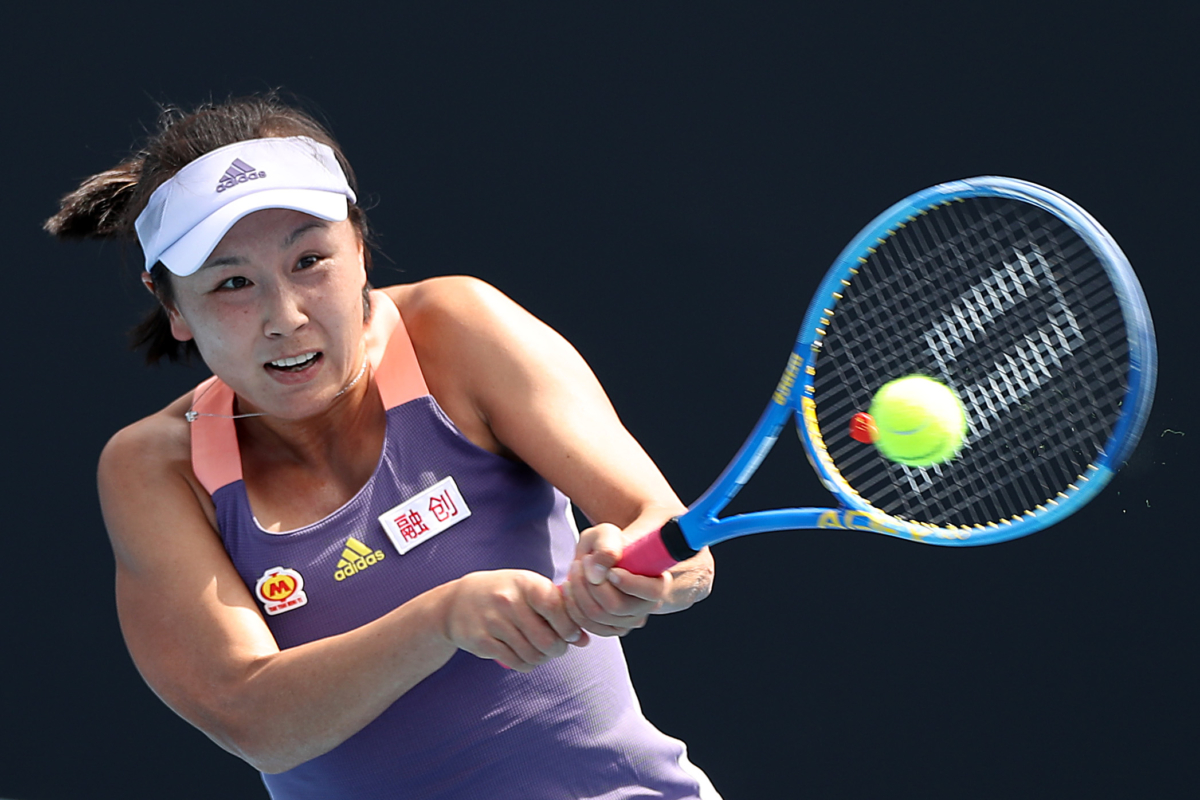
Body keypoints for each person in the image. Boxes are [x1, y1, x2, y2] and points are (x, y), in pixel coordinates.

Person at [46, 95, 718, 799]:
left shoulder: (456, 330)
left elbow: (670, 536)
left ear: (359, 248)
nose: (286, 316)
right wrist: (443, 618)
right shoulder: (156, 468)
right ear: (173, 306)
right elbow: (256, 720)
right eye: (233, 283)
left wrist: (640, 576)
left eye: (310, 260)